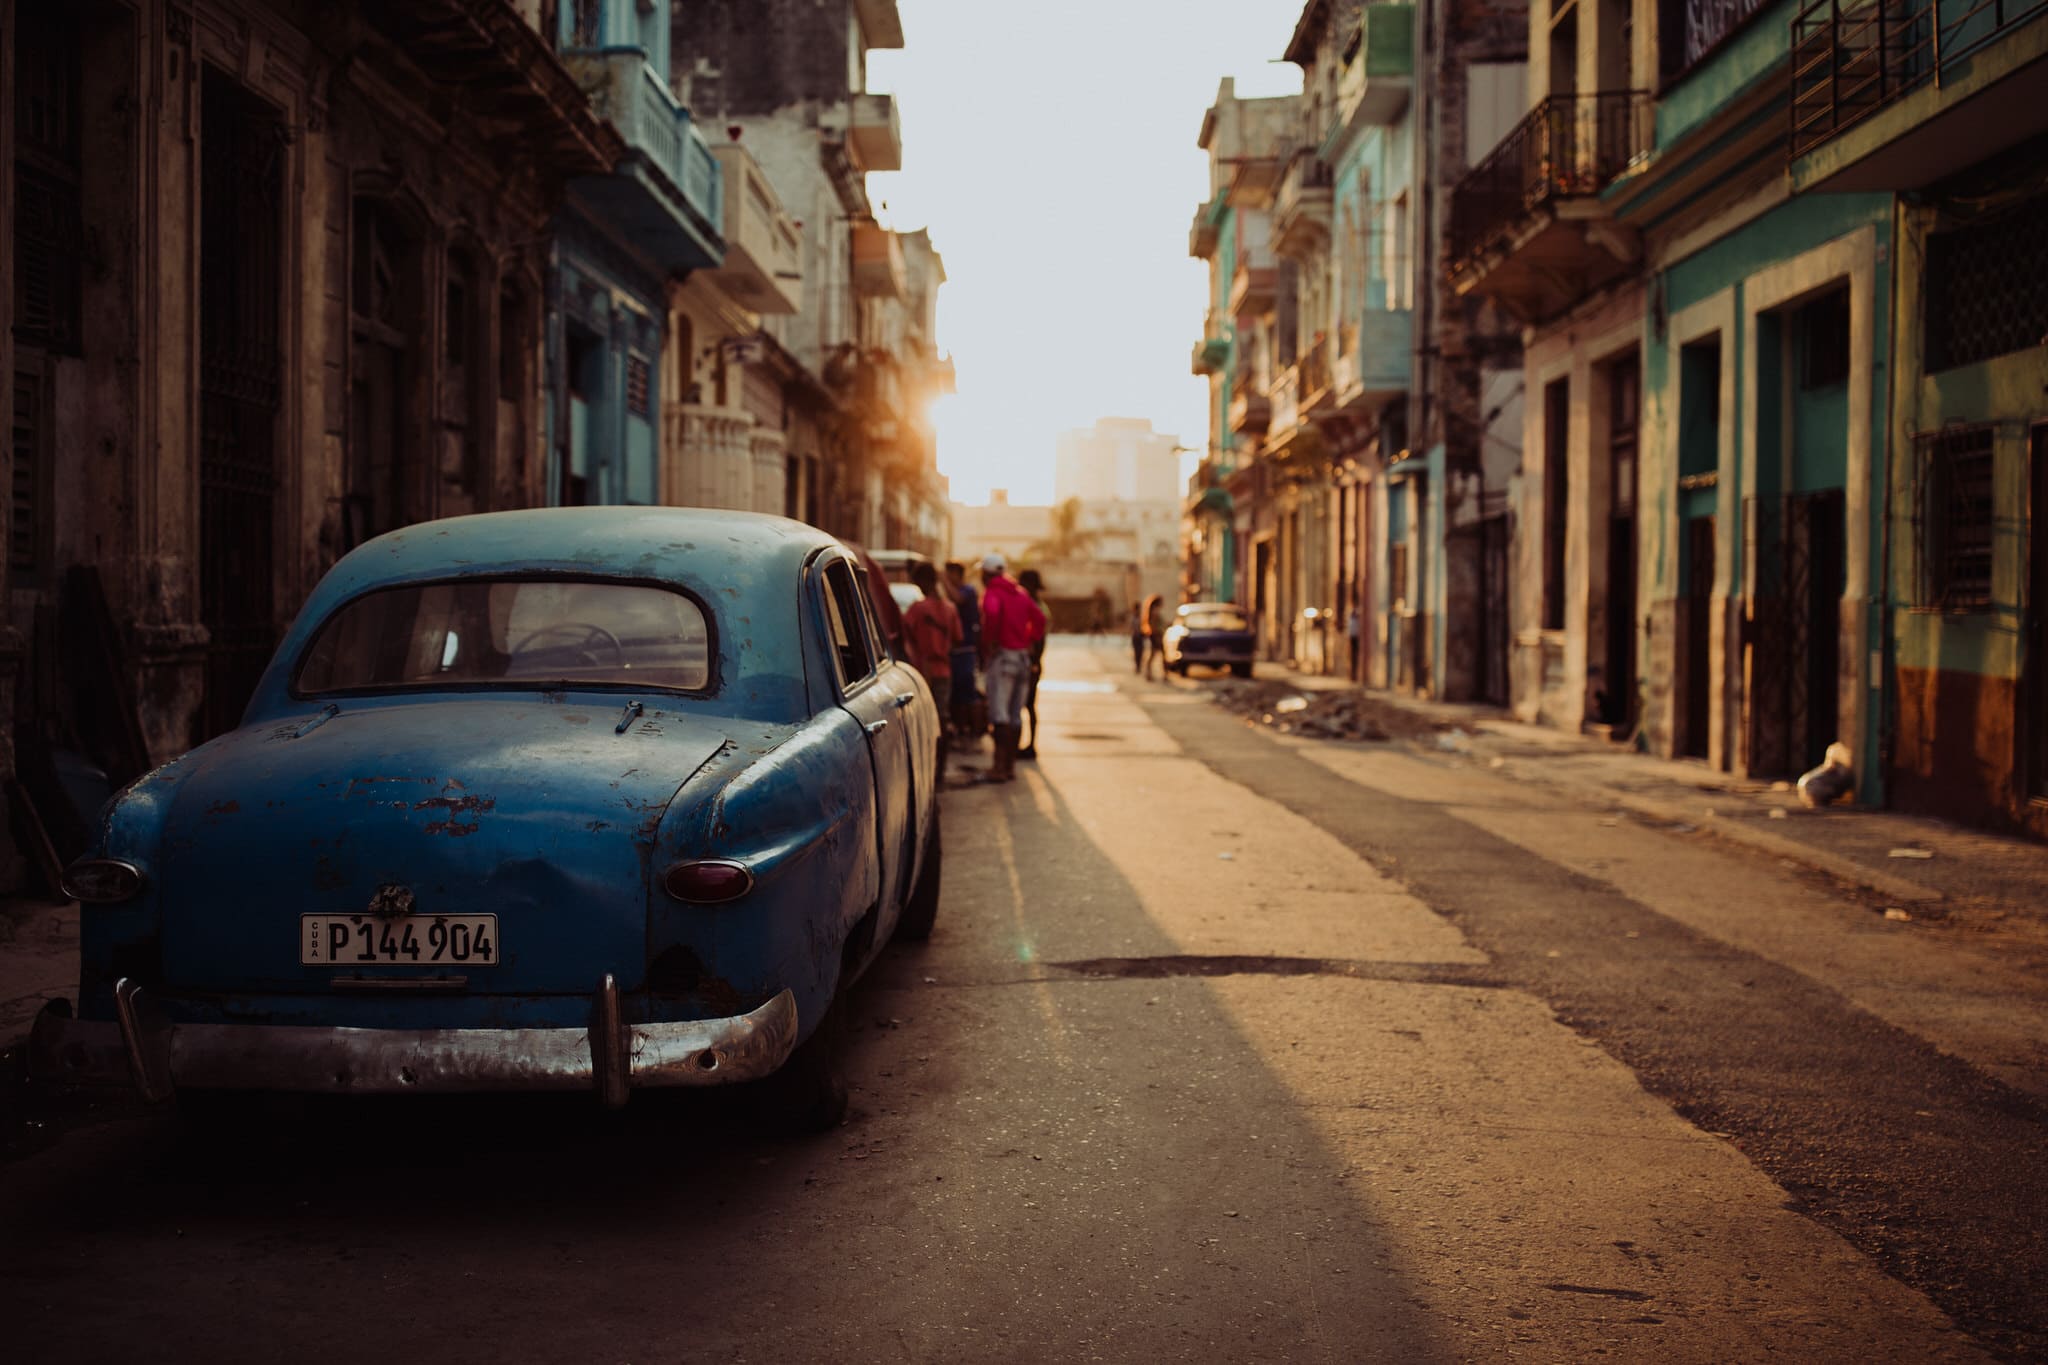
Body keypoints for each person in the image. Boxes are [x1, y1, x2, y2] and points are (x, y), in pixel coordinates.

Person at [977, 553, 1046, 783]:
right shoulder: (1020, 593)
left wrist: (990, 641)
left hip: (1003, 658)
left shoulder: (993, 593)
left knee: (1000, 714)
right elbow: (1040, 620)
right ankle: (1010, 767)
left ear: (986, 574)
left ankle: (999, 767)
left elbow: (993, 615)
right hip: (1022, 659)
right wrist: (1028, 641)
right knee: (1015, 714)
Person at [943, 560, 982, 750]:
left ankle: (974, 732)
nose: (948, 578)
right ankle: (960, 732)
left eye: (951, 574)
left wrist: (944, 581)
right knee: (956, 696)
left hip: (966, 650)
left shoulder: (968, 591)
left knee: (968, 695)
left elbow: (958, 599)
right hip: (953, 652)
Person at [1016, 568, 1047, 760]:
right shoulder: (1036, 604)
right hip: (1030, 660)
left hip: (1030, 661)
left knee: (1025, 704)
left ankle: (1029, 745)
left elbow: (1040, 638)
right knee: (1025, 705)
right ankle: (1024, 744)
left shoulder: (1034, 606)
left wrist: (1034, 661)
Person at [1140, 593, 1166, 681]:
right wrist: (1158, 632)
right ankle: (1151, 674)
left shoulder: (1152, 611)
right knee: (1156, 655)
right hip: (1156, 635)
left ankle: (1150, 674)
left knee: (1155, 655)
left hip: (1156, 635)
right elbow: (1155, 625)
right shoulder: (1155, 611)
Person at [1128, 600, 1145, 675]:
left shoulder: (1142, 617)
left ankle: (1139, 666)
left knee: (1141, 652)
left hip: (1141, 636)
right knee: (1136, 652)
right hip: (1135, 637)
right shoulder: (1133, 617)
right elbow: (1131, 627)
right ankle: (1137, 666)